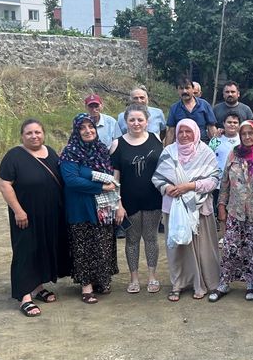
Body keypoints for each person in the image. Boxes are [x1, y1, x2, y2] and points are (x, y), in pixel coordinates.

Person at [0, 119, 70, 317]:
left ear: (43, 133)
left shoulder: (51, 152)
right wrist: (18, 211)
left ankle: (37, 287)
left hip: (50, 213)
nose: (34, 136)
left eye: (37, 132)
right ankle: (24, 296)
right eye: (29, 133)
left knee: (43, 249)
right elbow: (4, 184)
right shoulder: (14, 156)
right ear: (22, 135)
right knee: (26, 252)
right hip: (26, 214)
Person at [152, 119, 221, 301]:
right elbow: (158, 178)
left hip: (199, 208)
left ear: (195, 132)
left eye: (188, 131)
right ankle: (178, 284)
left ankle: (202, 283)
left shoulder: (205, 152)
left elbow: (214, 180)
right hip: (174, 207)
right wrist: (168, 188)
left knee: (202, 248)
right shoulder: (169, 151)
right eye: (180, 131)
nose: (184, 135)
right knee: (177, 248)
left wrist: (189, 186)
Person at [60, 113, 121, 304]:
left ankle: (101, 280)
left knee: (102, 243)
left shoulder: (101, 149)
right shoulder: (70, 152)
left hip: (102, 206)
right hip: (80, 206)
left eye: (91, 127)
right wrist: (100, 186)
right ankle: (86, 287)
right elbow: (71, 180)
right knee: (84, 245)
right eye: (82, 128)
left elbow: (109, 173)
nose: (88, 131)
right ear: (76, 131)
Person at [110, 104, 164, 294]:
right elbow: (114, 179)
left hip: (153, 199)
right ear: (126, 122)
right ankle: (134, 278)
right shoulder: (117, 144)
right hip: (128, 201)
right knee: (132, 240)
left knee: (151, 238)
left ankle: (152, 276)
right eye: (132, 120)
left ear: (147, 121)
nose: (136, 123)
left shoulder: (156, 139)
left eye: (140, 119)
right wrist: (118, 203)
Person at [214, 120, 253, 301]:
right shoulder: (233, 154)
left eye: (250, 133)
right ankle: (224, 283)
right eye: (243, 133)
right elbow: (224, 183)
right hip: (235, 210)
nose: (247, 137)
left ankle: (251, 283)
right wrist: (221, 206)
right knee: (230, 248)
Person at [166, 76, 218, 145]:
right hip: (182, 147)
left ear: (193, 89)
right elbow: (171, 131)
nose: (184, 91)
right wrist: (166, 150)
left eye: (187, 88)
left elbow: (211, 128)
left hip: (202, 145)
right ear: (177, 90)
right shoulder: (174, 108)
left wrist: (216, 147)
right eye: (181, 88)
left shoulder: (204, 105)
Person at [209, 112, 242, 178]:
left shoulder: (243, 140)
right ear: (224, 124)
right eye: (229, 122)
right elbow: (208, 159)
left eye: (235, 122)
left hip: (237, 180)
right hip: (217, 179)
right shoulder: (215, 140)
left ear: (239, 125)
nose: (232, 124)